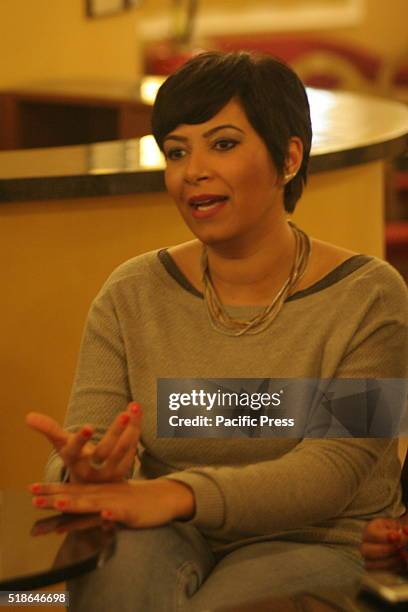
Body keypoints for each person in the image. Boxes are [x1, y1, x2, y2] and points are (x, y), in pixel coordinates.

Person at [26, 51, 408, 611]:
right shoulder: (132, 292)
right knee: (113, 578)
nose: (193, 171)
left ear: (289, 158)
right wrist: (87, 469)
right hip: (167, 526)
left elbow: (334, 471)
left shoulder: (371, 296)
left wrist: (177, 494)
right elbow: (93, 433)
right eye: (177, 152)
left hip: (319, 539)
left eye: (223, 144)